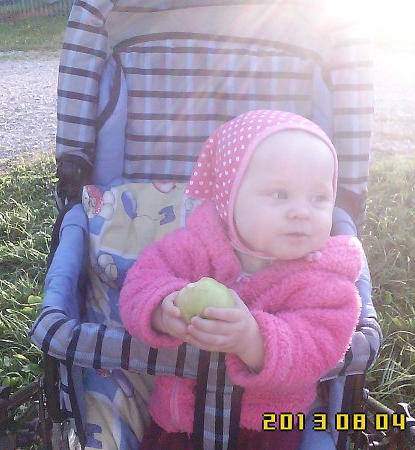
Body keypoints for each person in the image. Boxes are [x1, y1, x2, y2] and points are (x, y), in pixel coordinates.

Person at [118, 109, 363, 449]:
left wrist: (253, 340)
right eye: (280, 194)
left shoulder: (325, 282)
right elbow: (141, 281)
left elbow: (318, 346)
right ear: (228, 196)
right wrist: (163, 308)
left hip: (267, 430)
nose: (301, 211)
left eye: (319, 198)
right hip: (178, 423)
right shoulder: (194, 246)